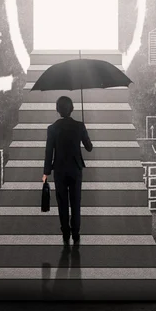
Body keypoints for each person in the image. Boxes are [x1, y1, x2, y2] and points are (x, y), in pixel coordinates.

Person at [42, 96, 93, 245]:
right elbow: (89, 147)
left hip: (59, 170)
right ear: (72, 109)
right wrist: (84, 132)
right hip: (75, 169)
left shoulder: (52, 128)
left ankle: (65, 232)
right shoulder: (79, 126)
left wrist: (46, 172)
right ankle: (76, 233)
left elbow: (48, 151)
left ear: (57, 110)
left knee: (62, 202)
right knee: (76, 201)